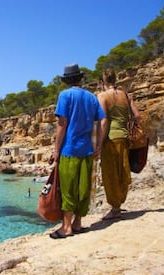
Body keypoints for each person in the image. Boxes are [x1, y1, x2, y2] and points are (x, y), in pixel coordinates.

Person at [50, 64, 108, 239]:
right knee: (84, 188)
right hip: (87, 150)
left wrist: (56, 150)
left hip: (69, 149)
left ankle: (66, 227)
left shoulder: (65, 95)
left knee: (68, 188)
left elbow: (62, 124)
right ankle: (78, 223)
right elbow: (102, 120)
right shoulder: (91, 97)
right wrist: (98, 145)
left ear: (67, 80)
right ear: (80, 78)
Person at [97, 68, 140, 220]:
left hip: (110, 139)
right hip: (124, 137)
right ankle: (119, 204)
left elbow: (103, 121)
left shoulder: (102, 96)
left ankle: (115, 208)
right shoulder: (125, 95)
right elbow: (137, 115)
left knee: (110, 174)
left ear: (102, 82)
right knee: (123, 171)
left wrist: (98, 143)